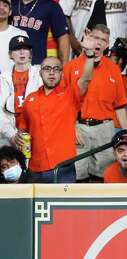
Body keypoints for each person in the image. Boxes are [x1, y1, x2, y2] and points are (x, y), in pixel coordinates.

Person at [19, 36, 96, 183]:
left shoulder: (70, 95)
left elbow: (86, 79)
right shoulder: (30, 99)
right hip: (35, 167)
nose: (52, 72)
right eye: (47, 69)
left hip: (62, 167)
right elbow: (23, 131)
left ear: (61, 74)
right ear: (40, 73)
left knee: (63, 207)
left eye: (56, 69)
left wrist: (90, 53)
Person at [64, 25, 127, 181]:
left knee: (104, 177)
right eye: (95, 38)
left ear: (107, 45)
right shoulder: (70, 67)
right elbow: (63, 105)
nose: (98, 43)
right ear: (87, 39)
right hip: (78, 128)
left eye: (103, 40)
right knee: (77, 178)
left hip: (105, 130)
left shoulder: (114, 69)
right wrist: (69, 129)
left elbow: (120, 107)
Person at [0, 35, 41, 147]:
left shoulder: (40, 74)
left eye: (26, 48)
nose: (22, 52)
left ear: (31, 53)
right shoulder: (3, 78)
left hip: (36, 132)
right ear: (10, 54)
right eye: (17, 49)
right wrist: (11, 134)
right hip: (9, 135)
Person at [60, 0, 127, 50]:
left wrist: (122, 48)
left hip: (113, 55)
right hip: (81, 50)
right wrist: (74, 42)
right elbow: (62, 14)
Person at [0, 0, 27, 74]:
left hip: (13, 83)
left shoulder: (20, 34)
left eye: (5, 5)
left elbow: (26, 64)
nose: (1, 8)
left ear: (10, 12)